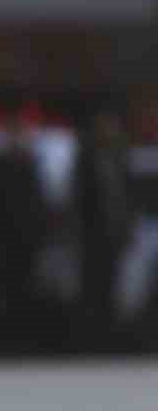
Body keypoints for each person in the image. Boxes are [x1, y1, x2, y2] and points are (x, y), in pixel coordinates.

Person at [73, 109, 135, 352]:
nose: (108, 131)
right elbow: (79, 200)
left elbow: (126, 197)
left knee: (113, 285)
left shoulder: (120, 157)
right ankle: (91, 338)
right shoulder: (86, 159)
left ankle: (111, 337)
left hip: (115, 234)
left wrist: (127, 227)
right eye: (103, 126)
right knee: (92, 285)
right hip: (92, 234)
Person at [0, 117, 47, 345]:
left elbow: (38, 205)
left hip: (27, 240)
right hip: (5, 240)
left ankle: (27, 335)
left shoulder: (30, 166)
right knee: (5, 290)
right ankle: (6, 337)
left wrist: (39, 235)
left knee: (29, 287)